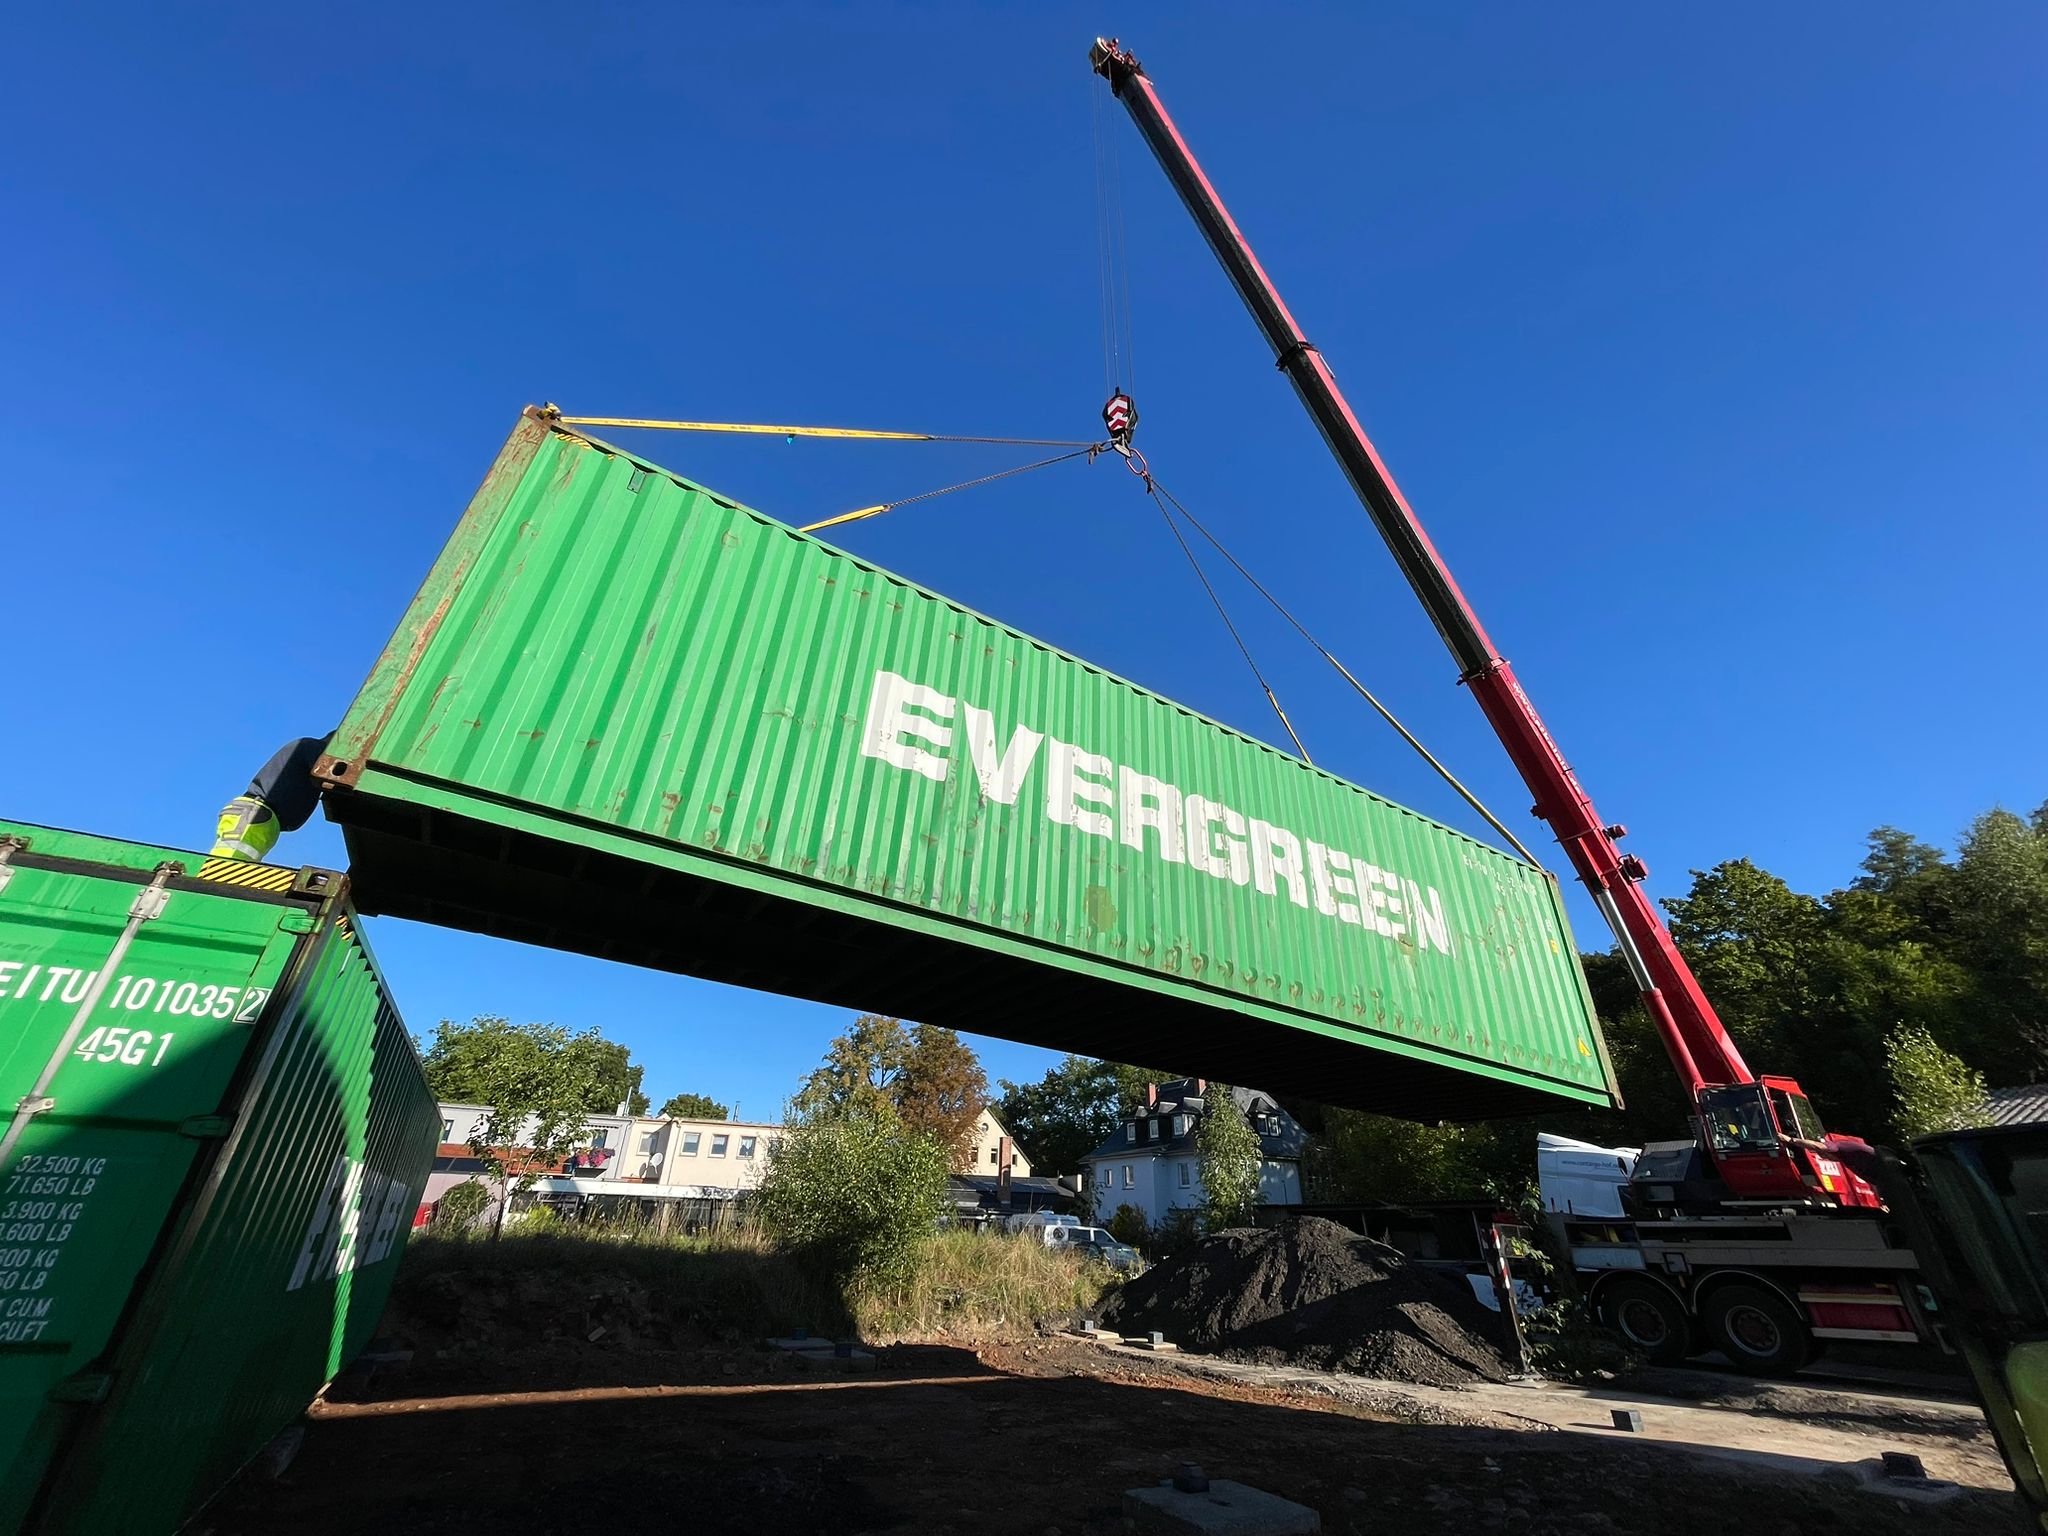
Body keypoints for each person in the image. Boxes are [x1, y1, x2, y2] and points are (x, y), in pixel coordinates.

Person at [209, 733, 333, 861]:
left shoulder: (308, 748)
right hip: (255, 812)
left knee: (238, 863)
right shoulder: (314, 748)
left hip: (257, 814)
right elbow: (330, 778)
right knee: (229, 864)